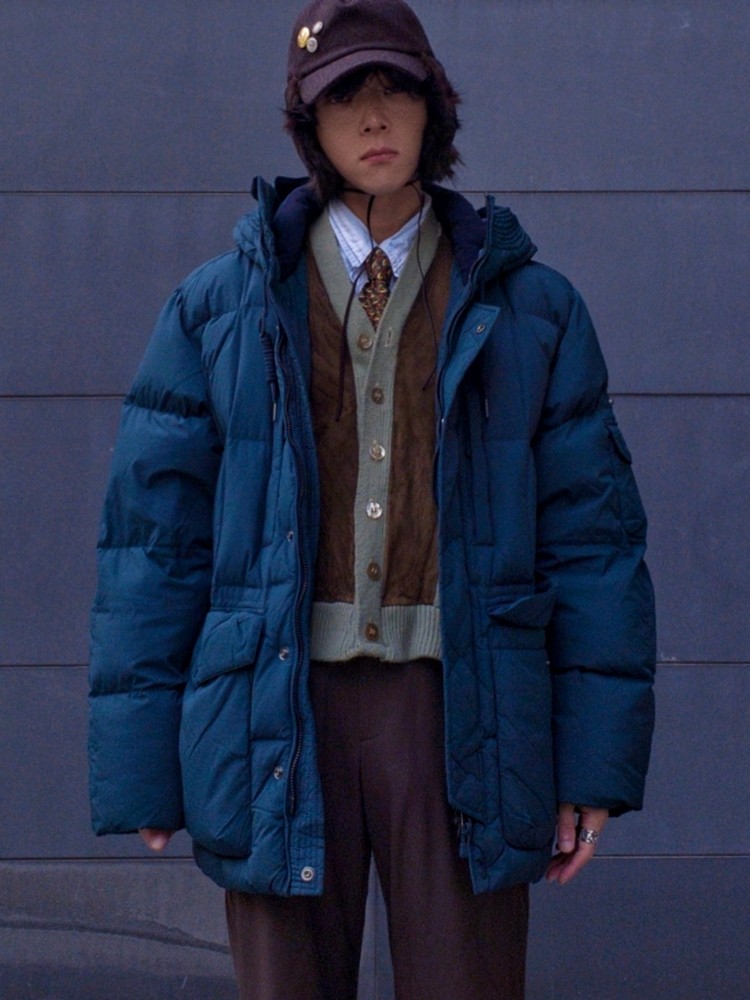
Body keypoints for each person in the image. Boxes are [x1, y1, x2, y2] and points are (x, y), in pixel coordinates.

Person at [88, 1, 656, 997]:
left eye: (397, 91)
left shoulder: (534, 309)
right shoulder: (220, 307)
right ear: (309, 124)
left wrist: (591, 768)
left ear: (437, 111)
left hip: (465, 706)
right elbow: (154, 541)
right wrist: (144, 767)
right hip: (273, 705)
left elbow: (592, 542)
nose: (375, 117)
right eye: (344, 96)